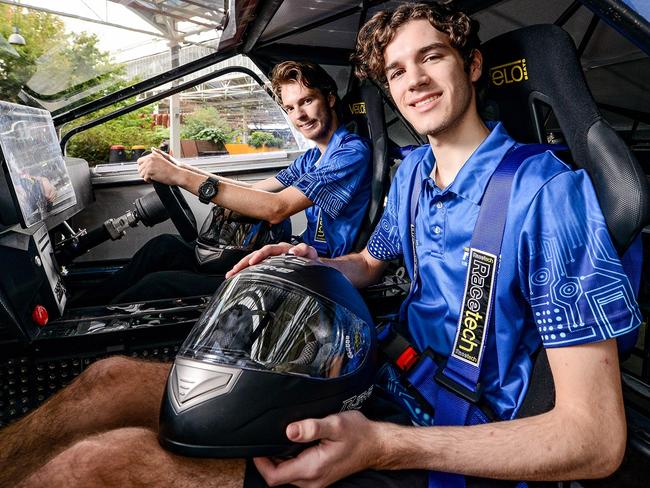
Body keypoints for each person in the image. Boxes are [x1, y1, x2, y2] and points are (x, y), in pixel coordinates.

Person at [0, 4, 640, 488]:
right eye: (395, 69)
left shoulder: (548, 195)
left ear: (471, 64)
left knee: (103, 464)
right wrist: (311, 262)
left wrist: (386, 446)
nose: (412, 80)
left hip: (444, 440)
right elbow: (370, 262)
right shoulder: (417, 171)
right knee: (107, 382)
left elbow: (594, 437)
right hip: (381, 381)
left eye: (431, 57)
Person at [70, 60, 372, 305]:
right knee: (163, 248)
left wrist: (181, 177)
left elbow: (277, 208)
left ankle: (89, 329)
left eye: (307, 101)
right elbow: (254, 192)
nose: (300, 116)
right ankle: (77, 309)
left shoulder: (350, 153)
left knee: (158, 284)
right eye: (291, 108)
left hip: (319, 271)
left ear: (329, 98)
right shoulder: (312, 159)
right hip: (293, 254)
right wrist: (183, 168)